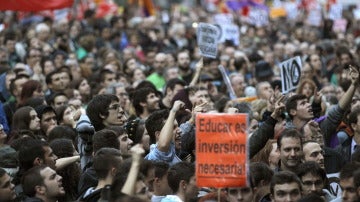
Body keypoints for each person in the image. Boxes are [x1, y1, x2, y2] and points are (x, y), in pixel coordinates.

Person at [144, 101, 183, 165]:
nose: (180, 130)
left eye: (177, 126)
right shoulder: (156, 157)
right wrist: (173, 111)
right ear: (159, 135)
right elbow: (163, 145)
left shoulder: (172, 152)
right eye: (173, 127)